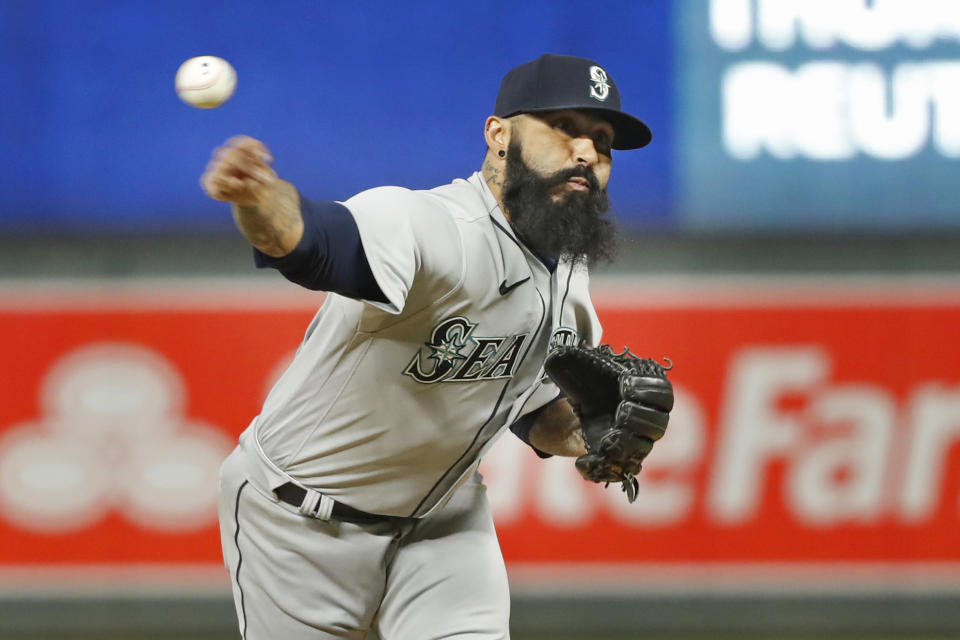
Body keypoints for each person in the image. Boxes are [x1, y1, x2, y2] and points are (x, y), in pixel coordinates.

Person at [202, 53, 654, 640]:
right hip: (297, 523)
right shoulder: (430, 226)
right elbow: (310, 241)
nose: (587, 151)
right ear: (499, 135)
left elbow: (534, 412)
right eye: (563, 126)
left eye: (602, 140)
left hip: (443, 521)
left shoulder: (568, 266)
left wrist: (593, 429)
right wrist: (257, 199)